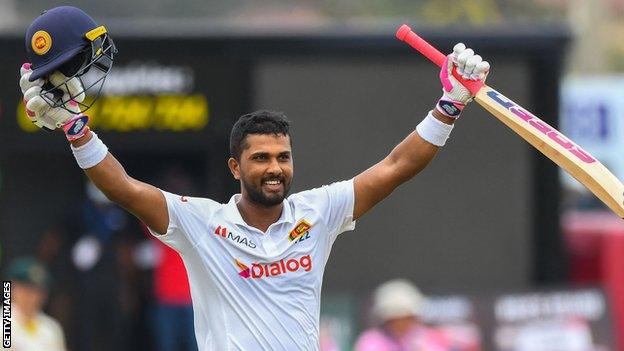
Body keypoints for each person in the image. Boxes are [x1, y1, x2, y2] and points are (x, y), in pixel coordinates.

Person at [19, 6, 489, 350]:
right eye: (261, 158)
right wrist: (75, 129)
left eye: (282, 157)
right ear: (235, 168)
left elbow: (396, 167)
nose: (274, 169)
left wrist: (448, 106)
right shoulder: (202, 223)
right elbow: (122, 187)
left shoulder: (318, 212)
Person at [354, 279, 453, 351]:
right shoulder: (371, 340)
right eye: (396, 318)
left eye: (406, 318)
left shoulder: (428, 337)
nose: (401, 323)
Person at [6, 257, 67, 351]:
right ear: (13, 288)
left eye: (38, 291)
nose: (33, 298)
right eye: (27, 290)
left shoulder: (51, 328)